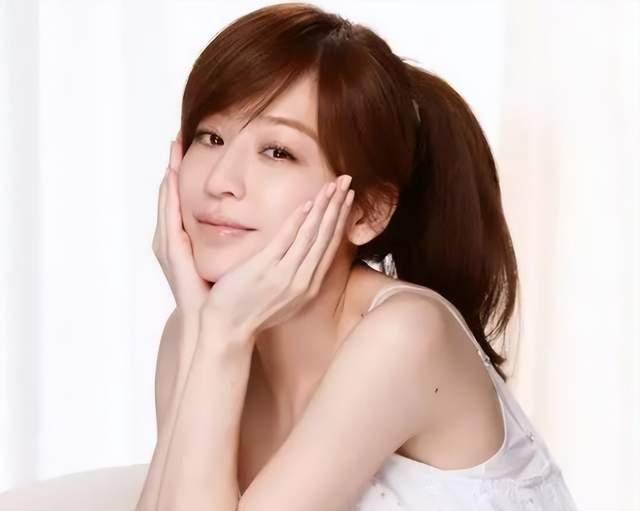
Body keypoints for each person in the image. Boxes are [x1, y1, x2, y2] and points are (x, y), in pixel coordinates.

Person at [137, 3, 578, 510]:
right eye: (210, 137)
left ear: (366, 211)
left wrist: (217, 337)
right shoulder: (200, 330)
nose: (220, 181)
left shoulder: (405, 334)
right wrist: (208, 331)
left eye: (278, 151)